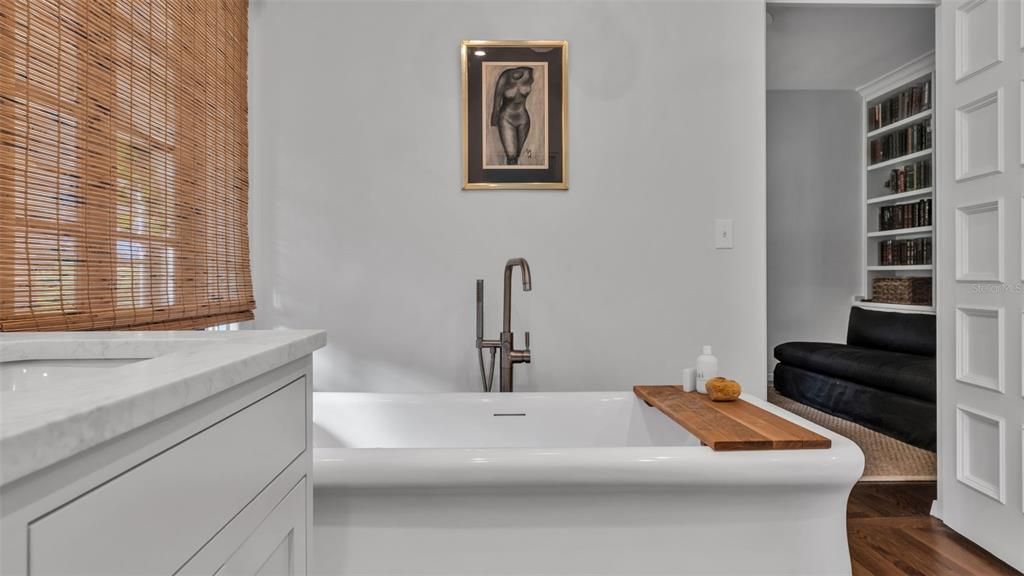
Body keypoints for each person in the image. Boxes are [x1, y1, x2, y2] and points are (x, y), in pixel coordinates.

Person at [490, 66, 534, 165]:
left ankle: (515, 177)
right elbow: (496, 104)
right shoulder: (504, 77)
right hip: (506, 119)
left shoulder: (530, 73)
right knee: (511, 155)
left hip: (523, 119)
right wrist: (494, 124)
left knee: (517, 155)